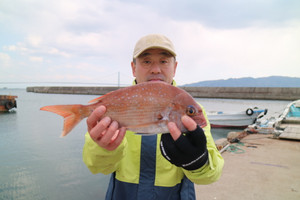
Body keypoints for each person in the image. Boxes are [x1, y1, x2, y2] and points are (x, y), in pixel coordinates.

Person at [82, 34, 224, 200]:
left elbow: (210, 177)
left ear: (175, 67)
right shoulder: (114, 106)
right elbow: (96, 167)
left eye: (164, 61)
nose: (156, 69)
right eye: (147, 61)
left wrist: (198, 161)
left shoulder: (192, 111)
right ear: (133, 68)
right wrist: (103, 148)